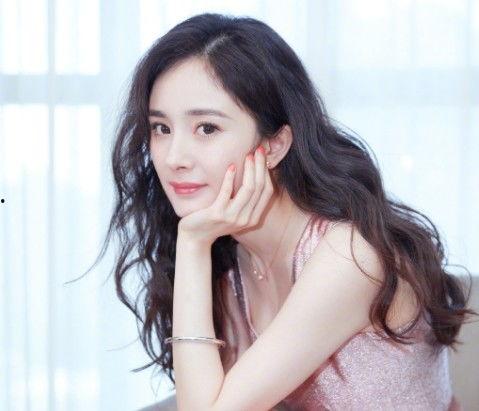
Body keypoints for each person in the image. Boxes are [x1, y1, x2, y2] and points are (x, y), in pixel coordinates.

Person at [82, 12, 476, 410]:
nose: (173, 158)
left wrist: (193, 244)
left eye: (207, 128)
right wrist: (195, 247)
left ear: (274, 145)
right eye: (161, 128)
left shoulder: (350, 256)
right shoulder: (235, 258)